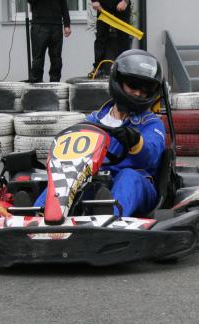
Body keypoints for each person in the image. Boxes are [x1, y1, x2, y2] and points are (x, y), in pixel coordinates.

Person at [34, 50, 166, 218]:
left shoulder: (151, 123)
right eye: (133, 85)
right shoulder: (93, 120)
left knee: (128, 176)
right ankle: (39, 214)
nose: (139, 93)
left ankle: (110, 215)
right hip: (97, 182)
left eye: (146, 89)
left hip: (137, 187)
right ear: (118, 81)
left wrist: (136, 142)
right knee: (67, 176)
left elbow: (151, 155)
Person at [27, 0, 72, 83]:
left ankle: (55, 85)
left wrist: (67, 24)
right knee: (38, 59)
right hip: (39, 25)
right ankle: (35, 85)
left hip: (56, 25)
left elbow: (63, 4)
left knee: (56, 59)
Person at [90, 0, 133, 78]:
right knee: (101, 37)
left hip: (121, 3)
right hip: (103, 5)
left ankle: (124, 68)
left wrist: (125, 1)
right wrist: (94, 1)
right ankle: (98, 68)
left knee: (123, 38)